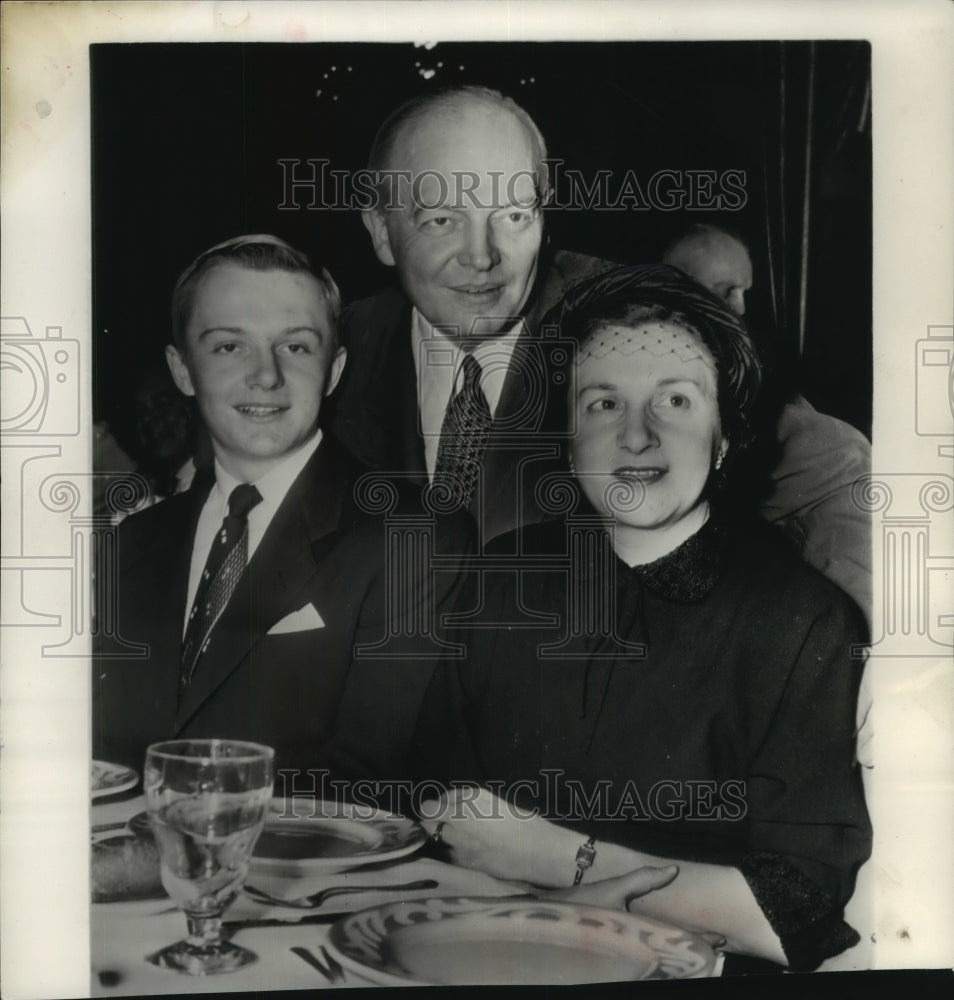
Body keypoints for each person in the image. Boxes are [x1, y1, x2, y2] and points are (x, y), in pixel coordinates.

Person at [413, 265, 871, 973]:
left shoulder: (801, 623)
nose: (636, 436)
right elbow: (437, 808)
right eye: (601, 404)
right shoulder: (498, 579)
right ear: (567, 439)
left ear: (724, 439)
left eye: (676, 401)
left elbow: (796, 916)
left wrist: (565, 861)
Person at [93, 235, 470, 784]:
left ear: (335, 370)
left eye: (295, 347)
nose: (266, 375)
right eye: (229, 346)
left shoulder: (412, 537)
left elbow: (371, 788)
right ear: (181, 370)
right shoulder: (129, 546)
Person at [331, 85, 615, 546]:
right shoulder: (327, 359)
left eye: (513, 216)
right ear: (382, 232)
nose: (481, 257)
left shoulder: (621, 344)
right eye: (443, 220)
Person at [663, 222, 872, 617]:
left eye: (742, 293)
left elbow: (860, 626)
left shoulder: (831, 452)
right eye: (717, 293)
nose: (737, 311)